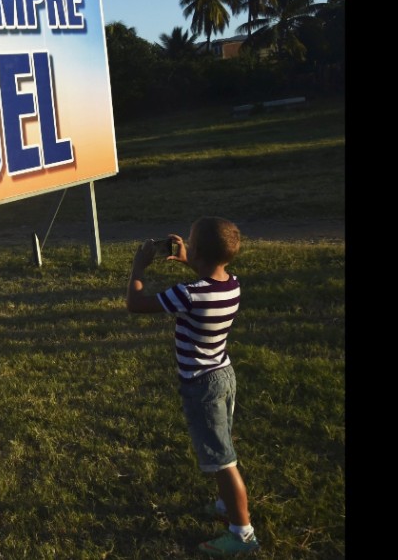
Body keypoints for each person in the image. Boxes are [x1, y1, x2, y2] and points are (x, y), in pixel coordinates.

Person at [125, 217, 259, 556]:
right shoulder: (232, 285)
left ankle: (242, 534)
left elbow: (137, 304)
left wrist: (138, 269)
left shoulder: (188, 294)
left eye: (190, 242)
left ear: (197, 250)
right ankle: (224, 504)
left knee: (222, 459)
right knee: (222, 445)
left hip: (202, 385)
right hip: (223, 374)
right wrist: (191, 260)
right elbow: (207, 281)